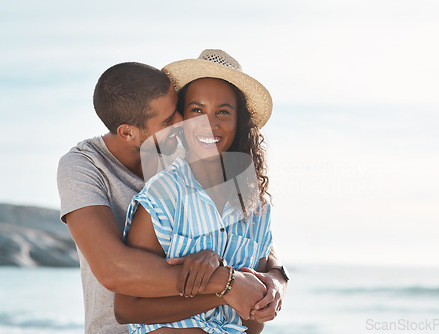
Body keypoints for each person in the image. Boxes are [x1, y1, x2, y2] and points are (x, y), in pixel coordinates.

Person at [57, 61, 288, 334]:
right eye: (168, 119)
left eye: (178, 111)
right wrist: (226, 283)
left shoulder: (182, 153)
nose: (181, 122)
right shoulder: (84, 166)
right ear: (128, 132)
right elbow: (113, 270)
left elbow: (249, 239)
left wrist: (276, 279)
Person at [114, 49, 279, 334]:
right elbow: (127, 308)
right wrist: (223, 286)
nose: (209, 123)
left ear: (240, 121)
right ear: (182, 120)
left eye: (223, 112)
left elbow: (253, 320)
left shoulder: (257, 208)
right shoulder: (163, 194)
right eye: (197, 110)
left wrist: (258, 291)